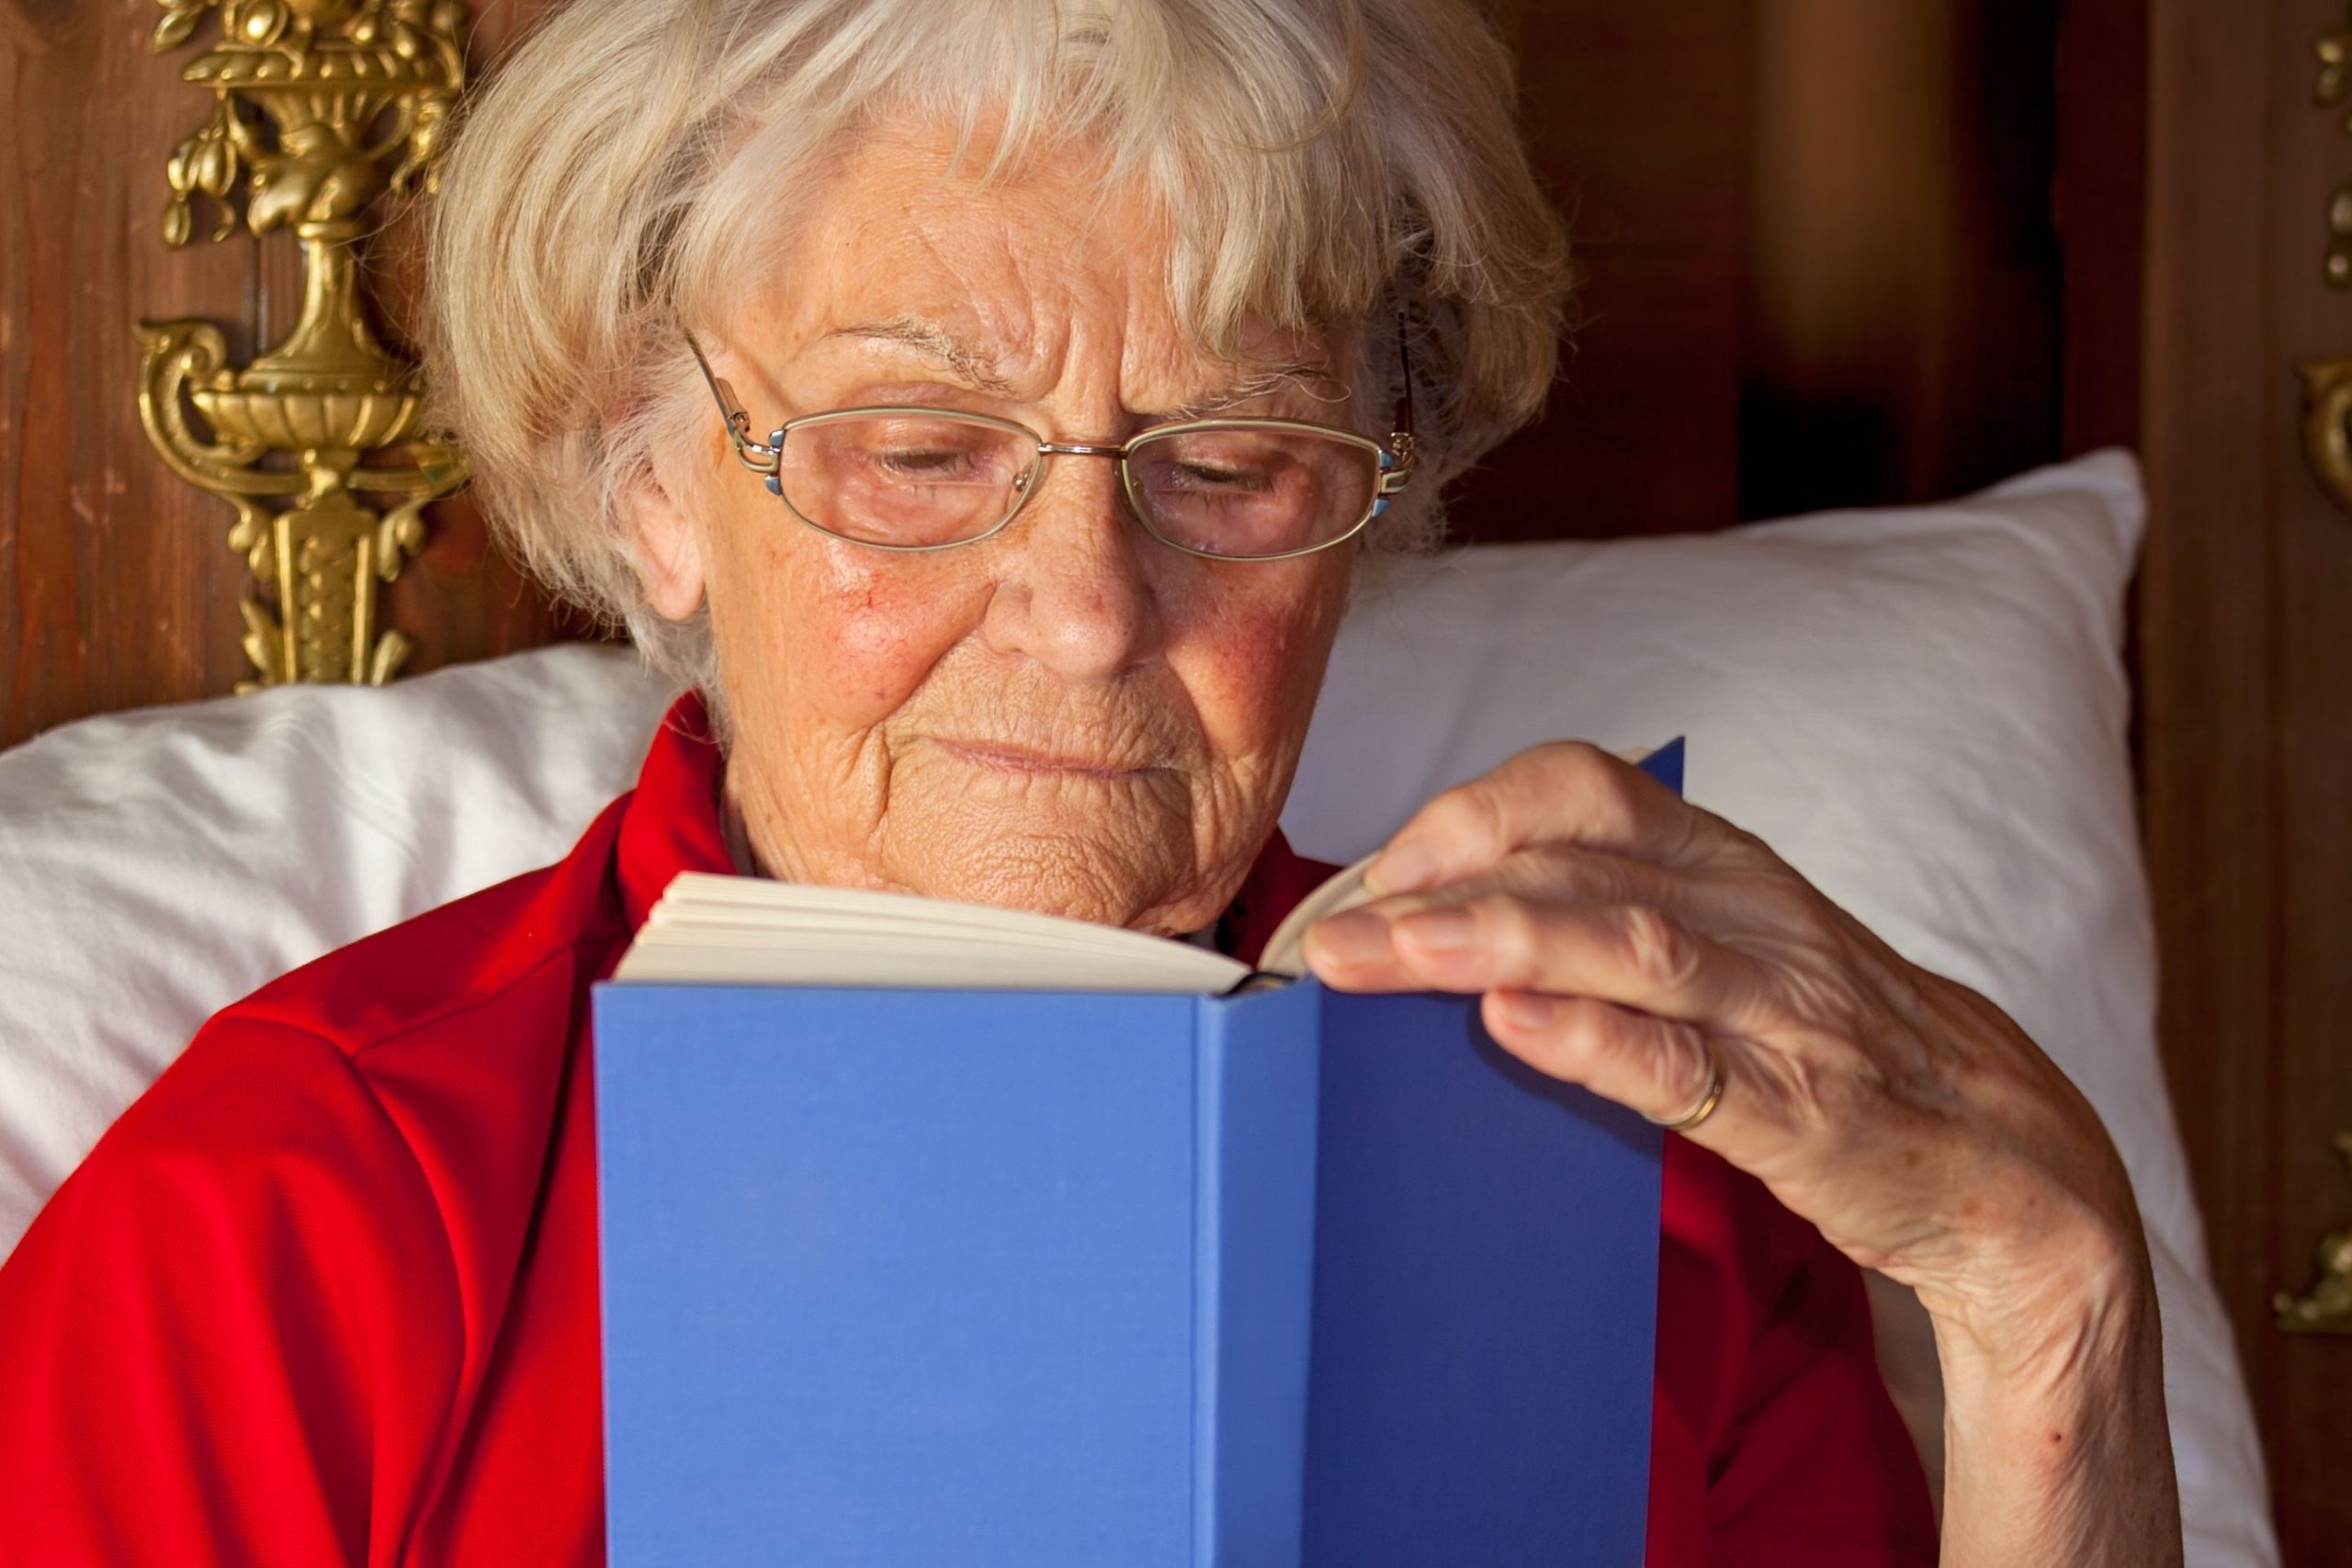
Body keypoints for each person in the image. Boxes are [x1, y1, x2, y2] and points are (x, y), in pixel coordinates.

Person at [0, 0, 2179, 1562]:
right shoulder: (298, 1207)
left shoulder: (1647, 1156)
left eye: (1229, 461)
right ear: (656, 484)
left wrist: (2048, 1309)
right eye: (919, 451)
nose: (1080, 605)